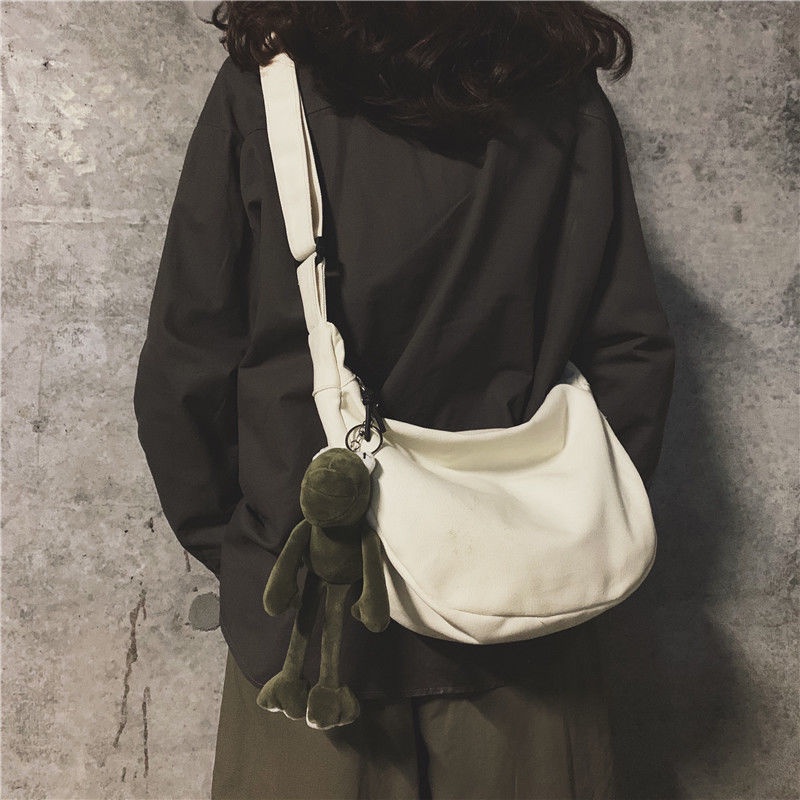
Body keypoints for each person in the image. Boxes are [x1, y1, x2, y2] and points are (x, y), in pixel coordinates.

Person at [133, 2, 676, 798]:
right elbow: (630, 349)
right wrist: (574, 522)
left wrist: (257, 549)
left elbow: (188, 363)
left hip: (315, 628)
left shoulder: (270, 85)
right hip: (521, 610)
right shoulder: (560, 91)